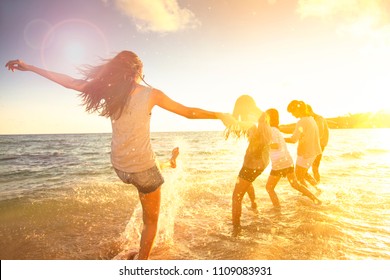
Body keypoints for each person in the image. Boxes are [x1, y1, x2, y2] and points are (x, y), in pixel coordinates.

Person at [5, 51, 231, 260]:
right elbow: (188, 113)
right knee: (150, 221)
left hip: (120, 168)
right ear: (138, 71)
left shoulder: (108, 91)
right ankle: (142, 263)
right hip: (142, 170)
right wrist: (218, 115)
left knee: (149, 171)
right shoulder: (152, 94)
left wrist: (31, 67)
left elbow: (69, 82)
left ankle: (169, 163)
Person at [224, 95, 271, 235]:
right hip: (262, 162)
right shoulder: (263, 115)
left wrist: (225, 119)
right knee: (247, 182)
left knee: (236, 196)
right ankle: (254, 204)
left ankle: (236, 228)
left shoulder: (252, 118)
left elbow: (237, 127)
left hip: (252, 163)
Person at [265, 108, 321, 207]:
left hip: (279, 163)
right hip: (287, 161)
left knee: (269, 188)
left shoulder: (271, 130)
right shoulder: (276, 130)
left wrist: (262, 145)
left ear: (269, 118)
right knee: (295, 184)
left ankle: (277, 209)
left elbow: (276, 145)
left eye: (265, 116)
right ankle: (315, 199)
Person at [285, 100, 322, 192]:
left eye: (292, 112)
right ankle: (319, 189)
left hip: (306, 153)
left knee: (298, 177)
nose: (292, 114)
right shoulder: (311, 119)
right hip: (314, 152)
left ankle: (308, 195)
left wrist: (279, 139)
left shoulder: (302, 122)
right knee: (304, 174)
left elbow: (293, 140)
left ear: (298, 110)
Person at [306, 104, 329, 183]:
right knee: (313, 168)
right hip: (316, 146)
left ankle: (316, 186)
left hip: (319, 146)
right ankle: (316, 186)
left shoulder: (319, 119)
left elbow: (320, 133)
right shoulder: (314, 119)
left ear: (309, 111)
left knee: (312, 168)